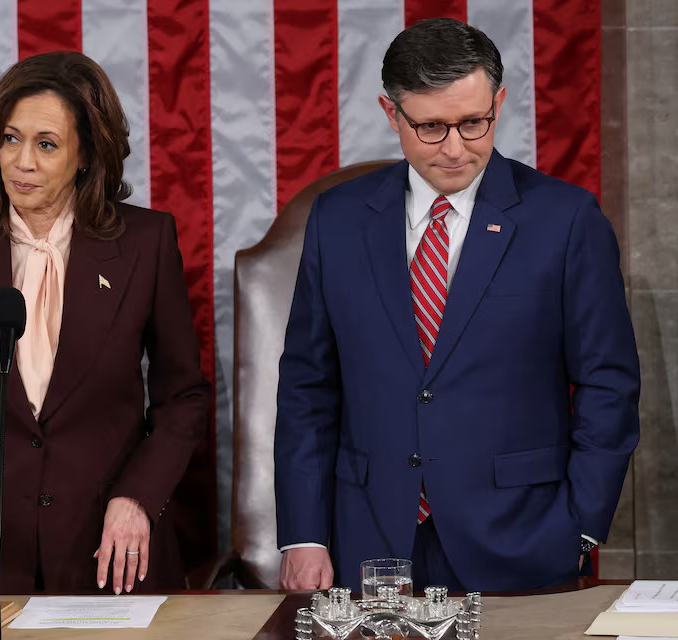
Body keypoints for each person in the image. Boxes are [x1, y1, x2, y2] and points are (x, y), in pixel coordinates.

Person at [274, 17, 639, 593]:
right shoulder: (337, 221)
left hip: (523, 541)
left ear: (498, 102)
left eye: (473, 123)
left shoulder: (566, 221)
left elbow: (608, 385)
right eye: (430, 127)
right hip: (367, 542)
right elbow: (307, 387)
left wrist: (581, 529)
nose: (454, 149)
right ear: (391, 113)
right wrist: (304, 535)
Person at [0, 51, 210, 595]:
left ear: (87, 154)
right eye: (11, 140)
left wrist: (138, 499)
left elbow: (183, 399)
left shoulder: (145, 244)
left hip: (109, 557)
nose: (21, 162)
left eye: (46, 144)